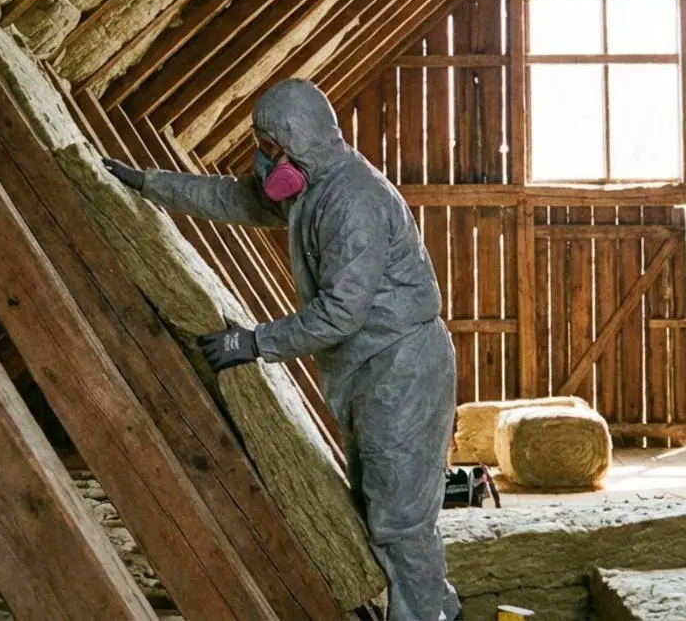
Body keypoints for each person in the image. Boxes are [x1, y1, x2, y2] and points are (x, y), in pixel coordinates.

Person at [104, 78, 461, 621]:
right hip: (372, 367)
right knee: (381, 505)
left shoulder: (352, 203)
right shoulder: (308, 189)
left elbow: (340, 315)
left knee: (400, 520)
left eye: (268, 150)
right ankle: (435, 609)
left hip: (403, 367)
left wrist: (254, 342)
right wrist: (147, 182)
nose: (262, 162)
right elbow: (228, 197)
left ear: (298, 146)